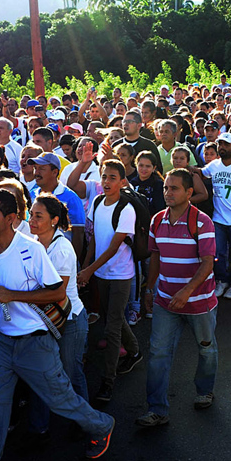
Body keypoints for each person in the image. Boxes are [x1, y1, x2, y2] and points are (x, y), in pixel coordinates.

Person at [0, 190, 115, 461]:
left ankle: (102, 425)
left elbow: (59, 295)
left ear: (11, 218)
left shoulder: (31, 250)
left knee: (61, 400)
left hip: (35, 342)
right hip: (2, 344)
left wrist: (14, 296)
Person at [136, 168, 219, 427]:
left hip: (199, 303)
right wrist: (149, 289)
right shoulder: (157, 220)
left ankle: (204, 391)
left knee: (206, 350)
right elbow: (155, 257)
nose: (168, 193)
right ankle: (157, 410)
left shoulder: (202, 222)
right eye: (165, 188)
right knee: (158, 354)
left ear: (189, 192)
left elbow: (208, 263)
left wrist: (187, 291)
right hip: (165, 302)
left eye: (174, 188)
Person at [22, 194, 90, 443]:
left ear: (54, 220)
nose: (32, 220)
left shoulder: (62, 248)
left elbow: (57, 293)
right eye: (31, 214)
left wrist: (16, 296)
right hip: (43, 319)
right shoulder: (31, 241)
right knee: (41, 375)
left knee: (71, 374)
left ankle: (85, 422)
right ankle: (38, 429)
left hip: (69, 320)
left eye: (38, 216)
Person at [74, 158, 143, 404]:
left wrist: (89, 270)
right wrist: (85, 268)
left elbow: (114, 247)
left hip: (121, 275)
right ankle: (134, 351)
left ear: (123, 182)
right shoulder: (96, 201)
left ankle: (108, 381)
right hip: (99, 273)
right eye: (104, 176)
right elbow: (94, 240)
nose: (106, 181)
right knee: (111, 317)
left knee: (111, 327)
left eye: (113, 177)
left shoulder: (126, 209)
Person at [194, 133, 231, 300]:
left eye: (226, 144)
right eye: (220, 144)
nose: (222, 147)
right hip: (218, 219)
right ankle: (221, 280)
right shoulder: (214, 165)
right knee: (218, 253)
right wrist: (188, 167)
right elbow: (201, 173)